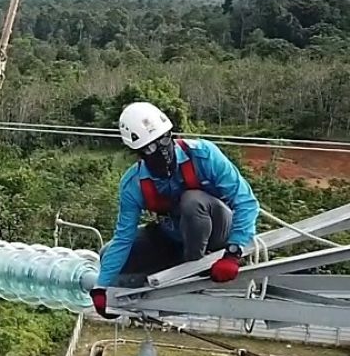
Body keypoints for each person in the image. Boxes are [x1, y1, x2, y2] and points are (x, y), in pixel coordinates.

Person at [90, 101, 260, 318]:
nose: (162, 150)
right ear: (139, 152)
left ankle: (195, 269)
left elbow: (245, 201)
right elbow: (124, 237)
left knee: (192, 201)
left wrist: (234, 253)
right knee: (107, 254)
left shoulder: (203, 154)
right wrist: (101, 287)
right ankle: (164, 272)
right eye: (151, 147)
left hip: (216, 229)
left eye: (164, 139)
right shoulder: (134, 185)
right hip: (174, 235)